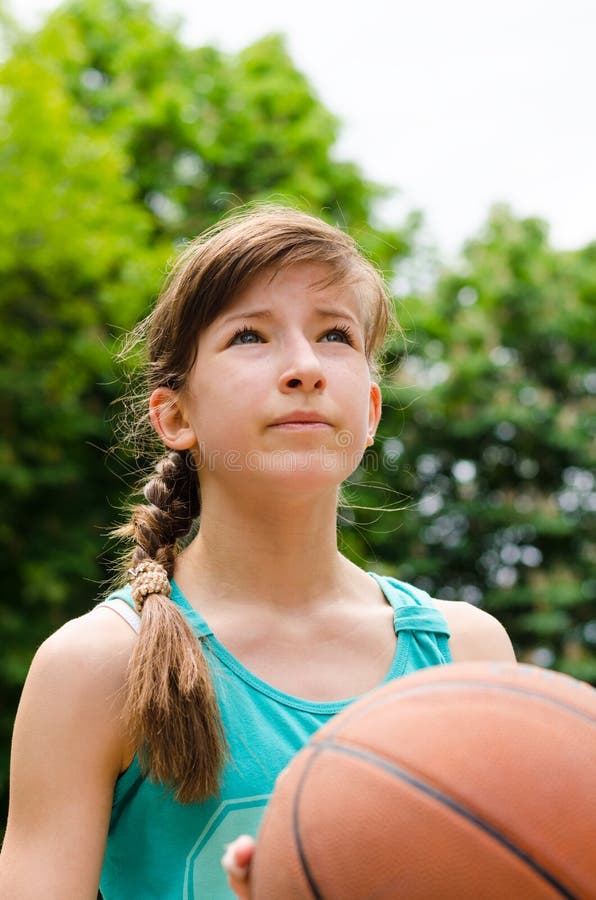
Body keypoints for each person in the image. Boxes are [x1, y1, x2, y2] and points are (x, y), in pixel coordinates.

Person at [0, 206, 516, 900]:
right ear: (175, 416)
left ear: (371, 410)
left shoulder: (469, 656)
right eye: (250, 335)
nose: (304, 367)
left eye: (335, 334)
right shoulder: (94, 668)